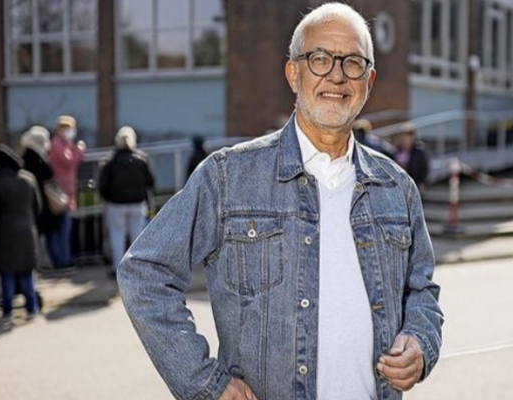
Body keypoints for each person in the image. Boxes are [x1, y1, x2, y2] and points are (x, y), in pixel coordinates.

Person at [118, 4, 443, 400]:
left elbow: (422, 290)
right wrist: (205, 383)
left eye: (353, 63)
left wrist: (420, 342)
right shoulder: (228, 177)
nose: (337, 76)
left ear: (369, 80)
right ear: (294, 73)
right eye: (320, 59)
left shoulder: (398, 188)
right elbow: (144, 272)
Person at [0, 145, 41, 327]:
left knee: (6, 275)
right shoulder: (27, 179)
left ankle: (8, 311)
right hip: (26, 233)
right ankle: (32, 308)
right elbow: (37, 207)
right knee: (26, 273)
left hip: (3, 235)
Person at [98, 126, 155, 278]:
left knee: (117, 235)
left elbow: (103, 184)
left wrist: (108, 197)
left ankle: (117, 266)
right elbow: (150, 181)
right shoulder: (141, 159)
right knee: (137, 235)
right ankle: (137, 266)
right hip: (137, 203)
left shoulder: (110, 162)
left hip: (116, 204)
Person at [48, 115, 86, 269]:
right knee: (62, 229)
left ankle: (64, 257)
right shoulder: (57, 145)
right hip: (61, 195)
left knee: (64, 229)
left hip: (67, 193)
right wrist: (80, 150)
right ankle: (62, 259)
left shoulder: (65, 144)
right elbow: (69, 162)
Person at [20, 126, 56, 268]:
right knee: (38, 234)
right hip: (37, 200)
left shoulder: (27, 156)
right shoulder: (35, 158)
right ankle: (38, 261)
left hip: (32, 200)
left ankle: (39, 261)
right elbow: (47, 173)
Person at [391, 122, 430, 195]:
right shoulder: (396, 151)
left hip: (414, 184)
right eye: (404, 136)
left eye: (409, 137)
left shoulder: (419, 151)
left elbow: (424, 168)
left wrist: (422, 182)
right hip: (399, 185)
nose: (406, 139)